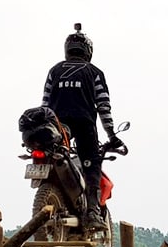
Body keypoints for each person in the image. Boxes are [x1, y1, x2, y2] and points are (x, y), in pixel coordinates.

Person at [41, 23, 117, 230]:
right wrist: (112, 134)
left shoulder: (54, 71)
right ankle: (92, 212)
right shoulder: (94, 72)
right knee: (92, 164)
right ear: (88, 51)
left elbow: (45, 104)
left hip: (57, 127)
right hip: (84, 125)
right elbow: (103, 106)